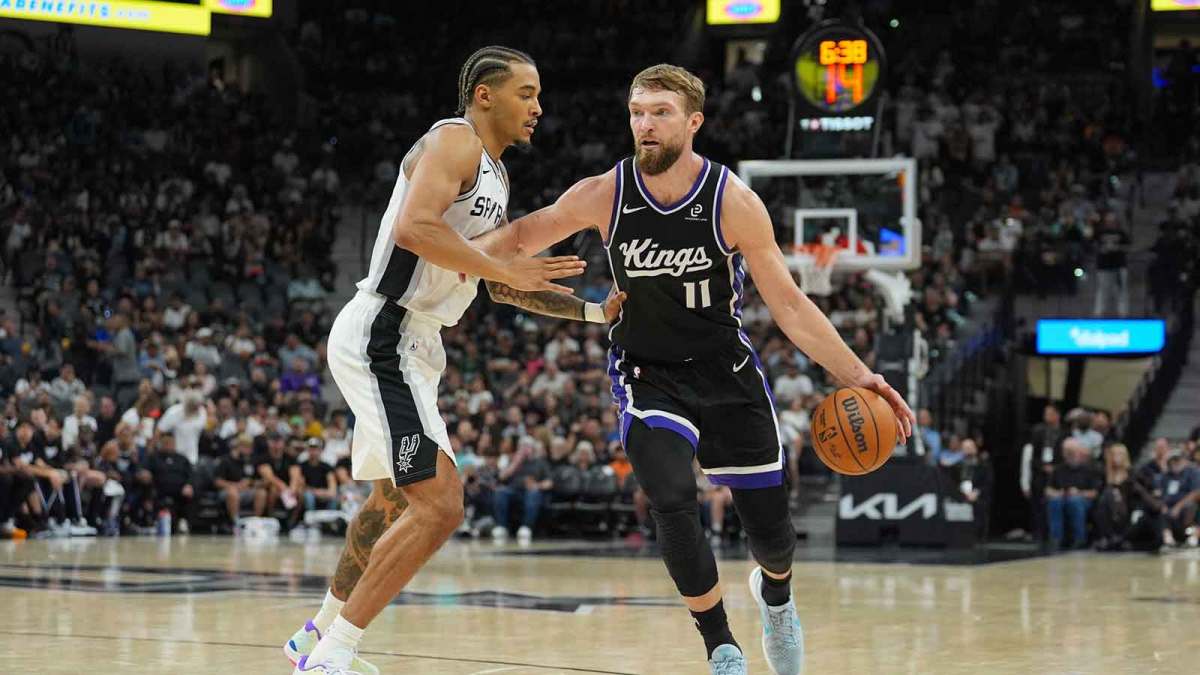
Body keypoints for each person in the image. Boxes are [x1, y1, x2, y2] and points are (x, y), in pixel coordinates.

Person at [478, 63, 914, 675]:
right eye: (637, 112)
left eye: (659, 112)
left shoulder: (732, 201)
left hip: (725, 371)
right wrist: (456, 256)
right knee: (672, 497)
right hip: (646, 371)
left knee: (772, 537)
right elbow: (523, 233)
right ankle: (721, 647)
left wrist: (861, 376)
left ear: (693, 121)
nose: (645, 125)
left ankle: (777, 599)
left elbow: (788, 303)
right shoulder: (605, 191)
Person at [287, 46, 621, 675]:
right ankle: (334, 656)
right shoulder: (454, 140)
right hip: (383, 333)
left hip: (417, 346)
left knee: (389, 501)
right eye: (527, 92)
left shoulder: (496, 176)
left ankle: (315, 635)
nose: (539, 107)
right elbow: (416, 228)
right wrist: (501, 264)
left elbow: (498, 283)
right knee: (440, 506)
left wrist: (593, 314)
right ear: (485, 94)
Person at [1045, 439, 1102, 549]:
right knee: (1054, 502)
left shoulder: (1089, 470)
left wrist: (1079, 493)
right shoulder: (1058, 469)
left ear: (1078, 452)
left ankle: (1079, 539)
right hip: (1062, 498)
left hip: (1082, 500)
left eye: (1071, 451)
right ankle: (1056, 539)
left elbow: (1094, 493)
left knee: (1074, 501)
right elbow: (1048, 490)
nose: (1069, 455)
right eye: (1067, 452)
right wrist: (1057, 493)